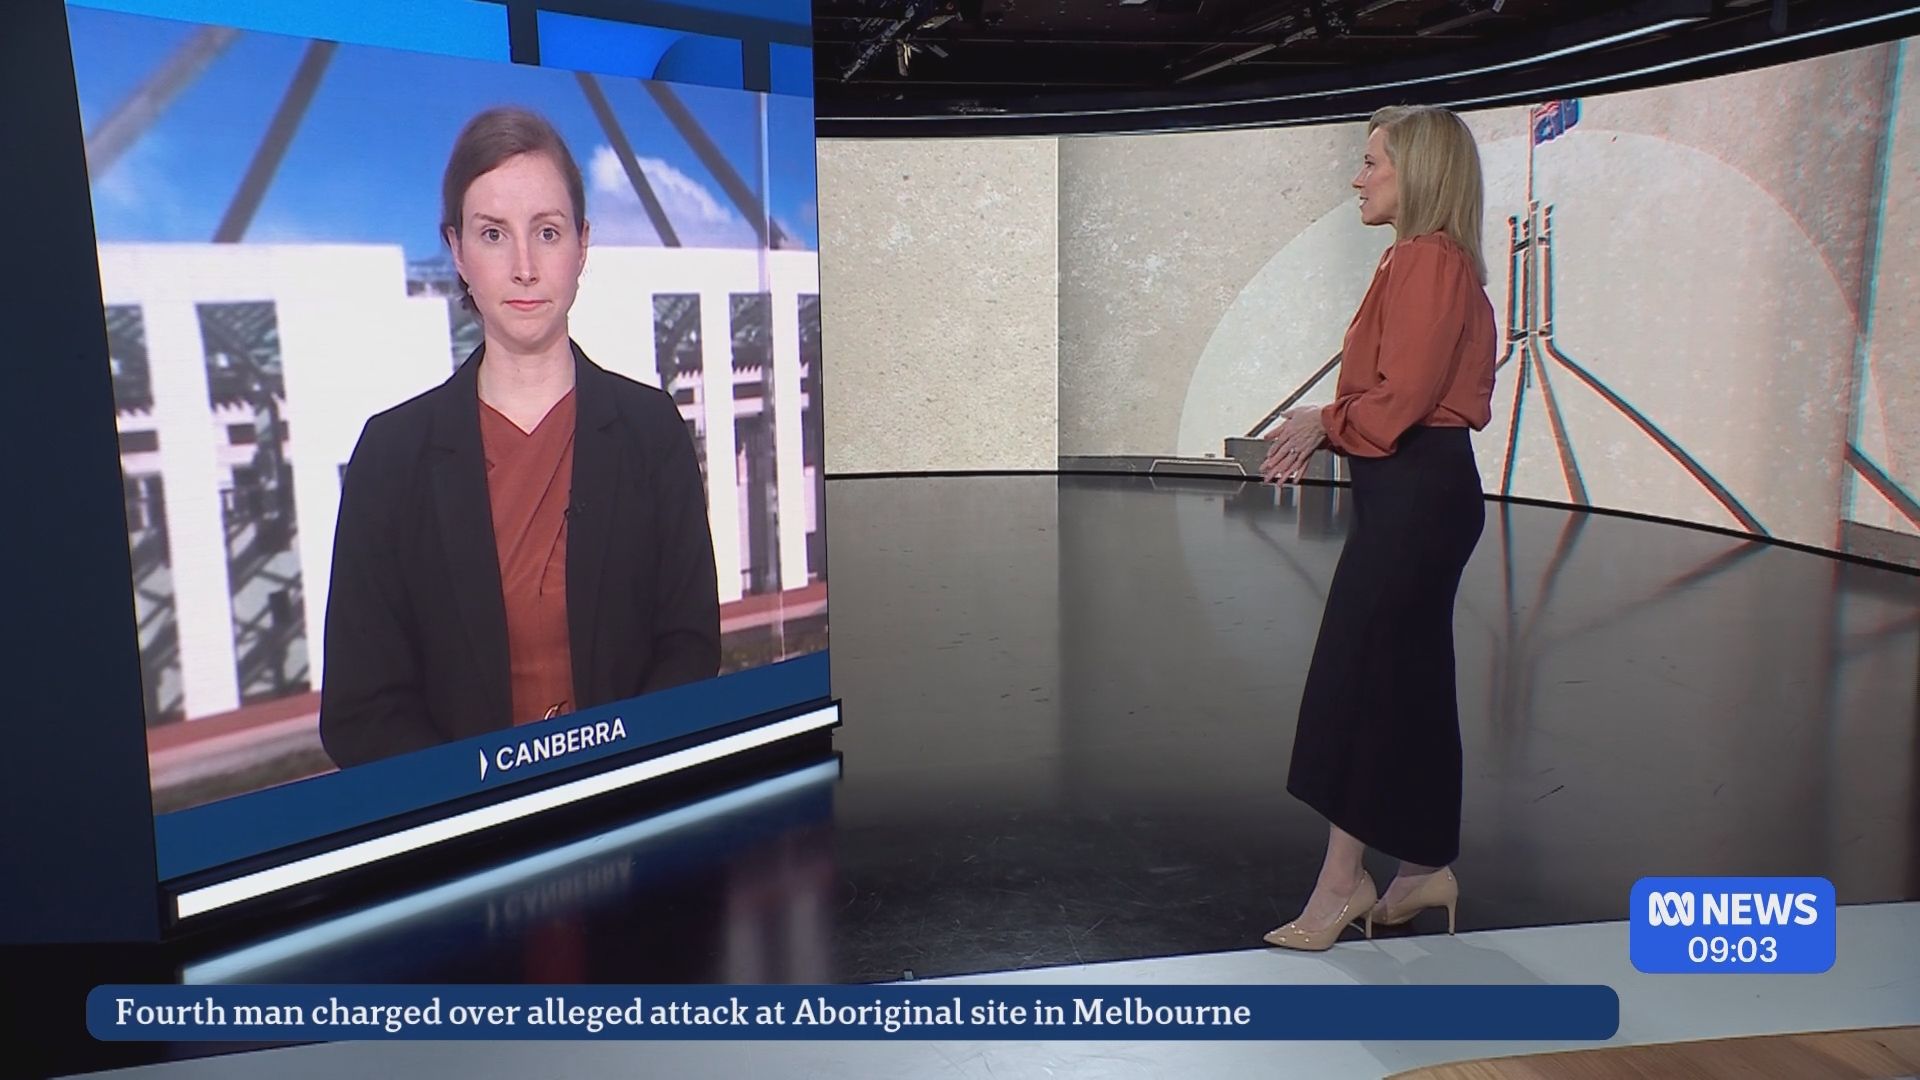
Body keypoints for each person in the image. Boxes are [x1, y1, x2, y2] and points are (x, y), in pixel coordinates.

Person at [318, 107, 721, 768]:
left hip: (638, 801)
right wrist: (482, 795)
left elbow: (690, 648)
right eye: (493, 234)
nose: (525, 267)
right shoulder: (390, 457)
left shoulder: (652, 432)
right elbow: (361, 714)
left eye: (548, 232)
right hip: (464, 823)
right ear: (457, 251)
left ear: (582, 246)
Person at [1257, 105, 1497, 950]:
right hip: (1420, 491)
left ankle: (1341, 884)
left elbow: (1398, 402)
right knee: (1409, 683)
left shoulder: (1428, 260)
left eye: (1371, 163)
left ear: (1417, 172)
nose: (1358, 178)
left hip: (1416, 494)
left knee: (1359, 682)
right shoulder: (1430, 259)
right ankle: (1423, 866)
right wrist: (1332, 426)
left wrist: (1323, 421)